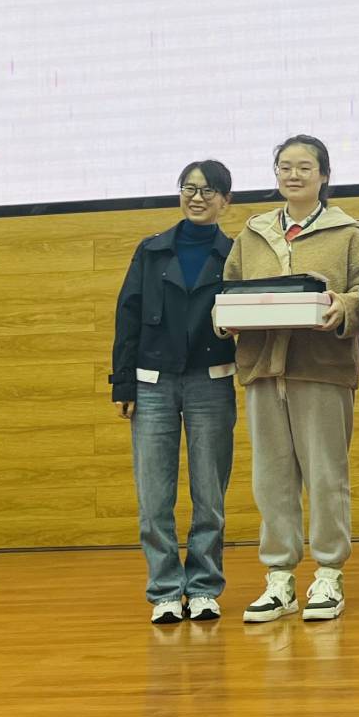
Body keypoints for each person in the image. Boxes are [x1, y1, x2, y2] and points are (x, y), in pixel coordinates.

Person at [222, 135, 359, 624]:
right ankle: (280, 578)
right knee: (271, 478)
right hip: (263, 370)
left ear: (324, 175)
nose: (293, 175)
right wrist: (225, 319)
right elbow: (227, 289)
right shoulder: (252, 234)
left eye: (305, 167)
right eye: (285, 167)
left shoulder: (349, 233)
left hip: (322, 370)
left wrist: (344, 307)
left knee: (327, 476)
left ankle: (328, 573)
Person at [111, 160, 237, 624]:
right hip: (152, 384)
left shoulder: (235, 254)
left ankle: (203, 587)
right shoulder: (151, 250)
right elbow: (128, 315)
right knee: (153, 497)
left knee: (210, 496)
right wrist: (122, 383)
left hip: (212, 381)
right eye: (189, 188)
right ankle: (165, 590)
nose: (197, 198)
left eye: (208, 190)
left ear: (226, 201)